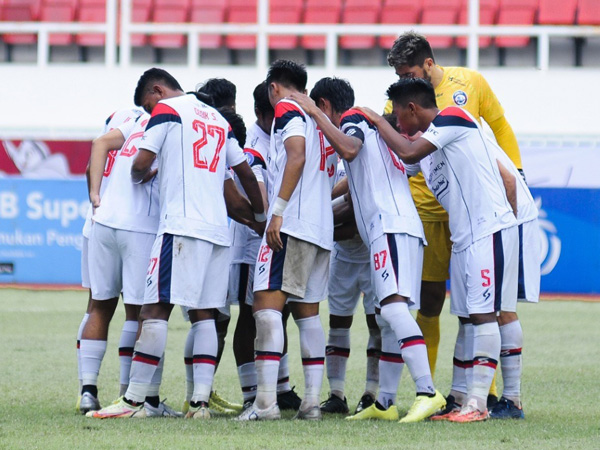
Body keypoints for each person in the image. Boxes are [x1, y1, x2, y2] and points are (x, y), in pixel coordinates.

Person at [89, 67, 265, 419]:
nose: (148, 111)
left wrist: (143, 173)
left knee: (153, 309)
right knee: (205, 316)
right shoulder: (218, 117)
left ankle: (134, 400)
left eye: (147, 104)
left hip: (180, 227)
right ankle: (199, 404)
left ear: (158, 91)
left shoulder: (168, 111)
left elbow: (139, 162)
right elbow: (244, 172)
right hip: (217, 232)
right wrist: (260, 218)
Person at [358, 77, 520, 422]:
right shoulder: (431, 149)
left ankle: (478, 404)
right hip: (464, 238)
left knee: (483, 314)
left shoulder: (454, 116)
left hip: (487, 229)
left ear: (413, 109)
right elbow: (398, 163)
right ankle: (461, 399)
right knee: (467, 316)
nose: (399, 125)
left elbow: (405, 150)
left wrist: (374, 119)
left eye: (399, 117)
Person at [289, 77, 445, 423]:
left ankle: (427, 391)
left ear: (327, 105)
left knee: (390, 310)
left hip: (387, 227)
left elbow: (349, 150)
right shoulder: (378, 132)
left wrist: (312, 112)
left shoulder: (354, 118)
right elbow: (364, 169)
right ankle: (385, 403)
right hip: (402, 227)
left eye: (319, 108)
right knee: (392, 317)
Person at [385, 32, 525, 403]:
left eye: (408, 73)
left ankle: (492, 396)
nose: (402, 83)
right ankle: (440, 394)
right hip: (437, 218)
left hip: (483, 224)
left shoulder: (458, 102)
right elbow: (403, 158)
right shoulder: (409, 112)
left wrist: (508, 204)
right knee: (444, 306)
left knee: (489, 310)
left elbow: (499, 132)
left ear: (428, 65)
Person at [236, 60, 337, 421]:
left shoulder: (287, 107)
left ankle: (264, 404)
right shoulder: (319, 118)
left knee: (265, 308)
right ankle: (310, 403)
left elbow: (296, 155)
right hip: (321, 228)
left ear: (274, 87)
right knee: (308, 315)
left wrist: (277, 210)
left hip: (292, 224)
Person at [229, 82, 302, 412]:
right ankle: (250, 394)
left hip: (274, 239)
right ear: (261, 112)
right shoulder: (254, 146)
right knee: (251, 317)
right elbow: (252, 193)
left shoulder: (280, 138)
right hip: (251, 243)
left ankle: (281, 387)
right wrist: (264, 220)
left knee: (277, 313)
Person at [76, 108, 143, 414]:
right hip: (137, 223)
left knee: (97, 305)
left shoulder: (120, 119)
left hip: (98, 220)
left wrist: (95, 197)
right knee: (137, 310)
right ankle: (127, 393)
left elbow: (91, 163)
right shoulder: (157, 119)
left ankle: (87, 390)